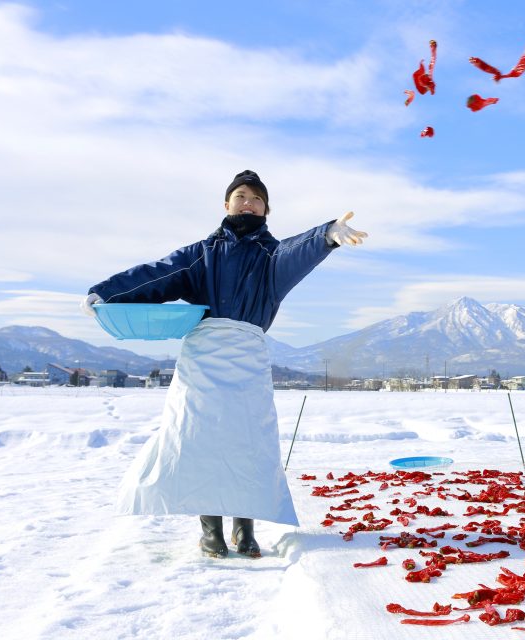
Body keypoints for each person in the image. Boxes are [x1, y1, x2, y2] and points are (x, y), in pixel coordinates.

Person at [81, 170, 367, 558]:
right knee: (200, 441)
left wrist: (326, 234)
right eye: (242, 196)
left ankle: (244, 528)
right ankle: (210, 529)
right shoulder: (200, 254)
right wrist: (106, 292)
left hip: (247, 357)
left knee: (247, 444)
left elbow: (297, 251)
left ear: (267, 209)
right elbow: (156, 275)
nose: (248, 203)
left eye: (257, 199)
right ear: (227, 203)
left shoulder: (271, 257)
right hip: (202, 358)